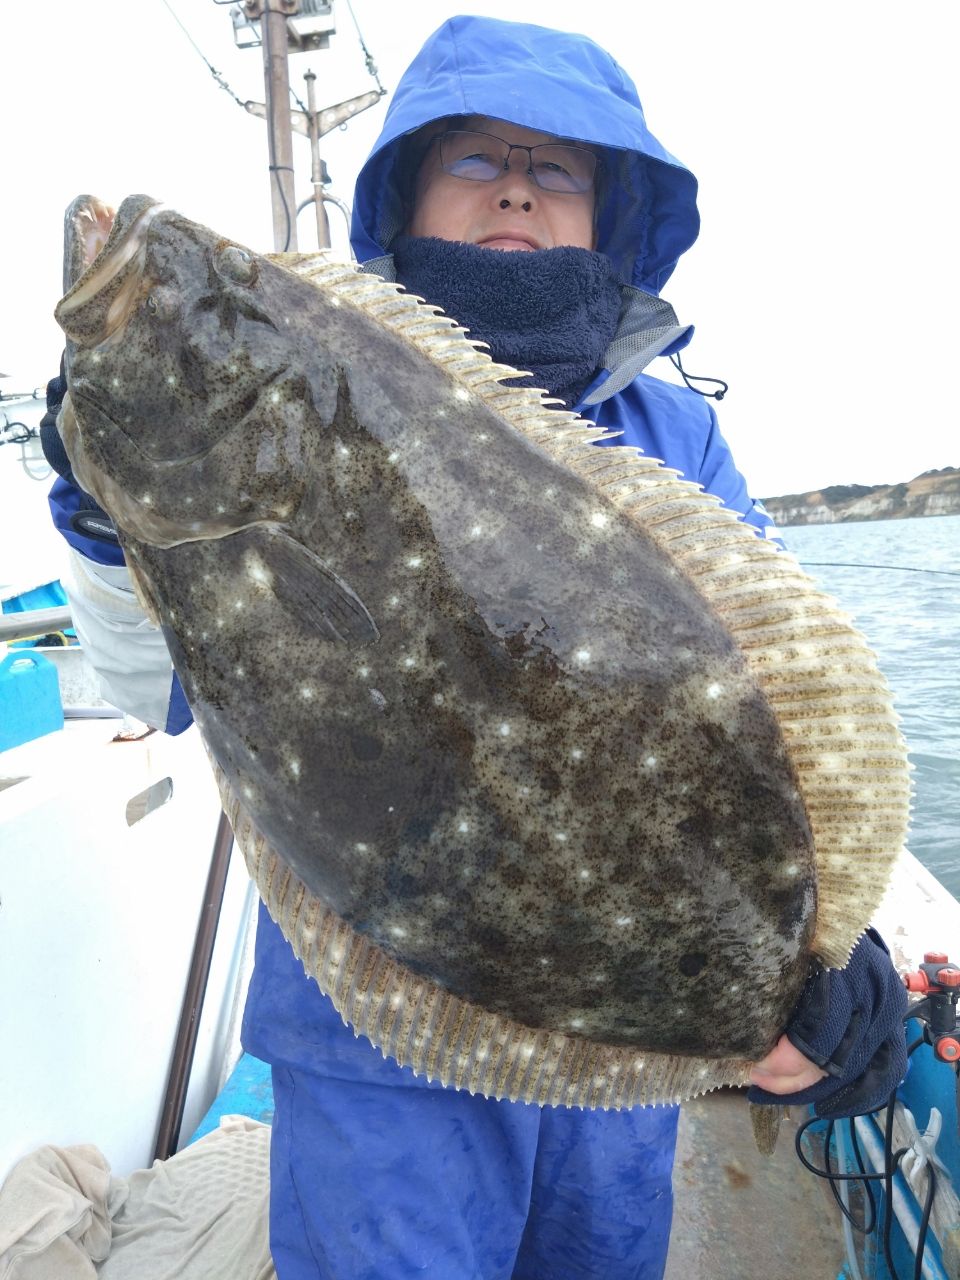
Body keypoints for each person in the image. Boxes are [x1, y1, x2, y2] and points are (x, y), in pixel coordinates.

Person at [42, 15, 909, 1280]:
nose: (514, 182)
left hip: (613, 1040)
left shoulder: (674, 437)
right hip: (372, 1038)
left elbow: (759, 712)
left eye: (557, 166)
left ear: (615, 211)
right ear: (406, 196)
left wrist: (826, 960)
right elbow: (150, 688)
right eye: (474, 159)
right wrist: (109, 528)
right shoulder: (306, 388)